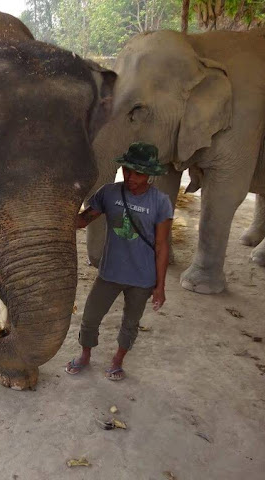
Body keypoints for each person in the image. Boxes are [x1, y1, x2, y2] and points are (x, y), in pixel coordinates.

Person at [65, 142, 173, 381]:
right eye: (127, 170)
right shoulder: (109, 193)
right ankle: (85, 355)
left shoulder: (160, 202)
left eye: (139, 173)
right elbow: (83, 221)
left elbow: (162, 246)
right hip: (110, 273)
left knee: (130, 323)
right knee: (90, 316)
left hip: (142, 279)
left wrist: (160, 287)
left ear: (150, 174)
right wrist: (56, 215)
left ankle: (117, 360)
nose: (131, 177)